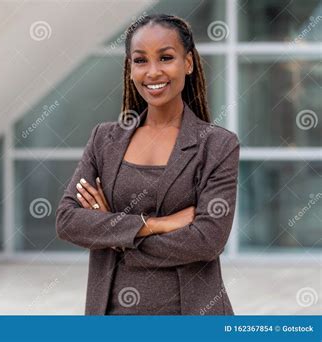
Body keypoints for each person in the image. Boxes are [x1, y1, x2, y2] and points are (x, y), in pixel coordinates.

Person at [56, 14, 240, 315]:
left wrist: (116, 238)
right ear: (130, 69)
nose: (153, 72)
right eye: (140, 61)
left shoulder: (217, 145)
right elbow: (67, 221)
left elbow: (207, 240)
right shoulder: (105, 140)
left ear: (188, 63)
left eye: (166, 57)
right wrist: (153, 225)